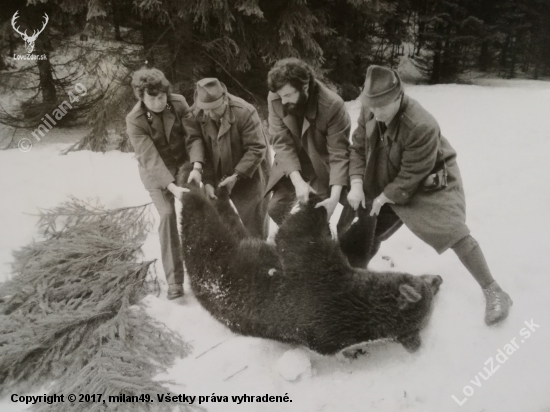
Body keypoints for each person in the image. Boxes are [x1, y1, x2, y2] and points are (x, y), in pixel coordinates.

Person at [342, 65, 513, 325]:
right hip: (384, 173)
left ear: (398, 98)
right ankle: (354, 281)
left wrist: (383, 198)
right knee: (368, 227)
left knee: (453, 232)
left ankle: (494, 290)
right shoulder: (371, 108)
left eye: (381, 107)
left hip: (427, 181)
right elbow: (358, 147)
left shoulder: (421, 124)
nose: (374, 113)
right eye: (371, 106)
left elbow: (412, 174)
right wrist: (356, 183)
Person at [126, 67, 204, 300]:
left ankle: (205, 269)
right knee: (168, 214)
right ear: (141, 96)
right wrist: (171, 187)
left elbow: (194, 137)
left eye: (162, 97)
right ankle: (175, 280)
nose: (159, 102)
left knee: (200, 208)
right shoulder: (135, 120)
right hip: (156, 173)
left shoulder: (178, 103)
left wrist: (197, 166)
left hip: (183, 165)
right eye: (153, 98)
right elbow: (149, 157)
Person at [265, 58, 351, 224]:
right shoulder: (277, 94)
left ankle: (321, 242)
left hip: (321, 165)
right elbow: (281, 142)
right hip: (291, 163)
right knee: (275, 208)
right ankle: (296, 241)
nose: (283, 102)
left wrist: (334, 198)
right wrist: (297, 182)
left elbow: (339, 154)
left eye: (289, 95)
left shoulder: (332, 105)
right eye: (281, 96)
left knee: (315, 214)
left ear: (305, 87)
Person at [183, 78, 270, 238]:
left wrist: (236, 175)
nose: (209, 114)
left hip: (249, 170)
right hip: (217, 171)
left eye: (213, 109)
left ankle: (258, 255)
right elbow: (198, 146)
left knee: (253, 222)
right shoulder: (196, 113)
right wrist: (207, 180)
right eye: (205, 109)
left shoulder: (245, 111)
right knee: (221, 224)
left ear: (224, 100)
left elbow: (257, 148)